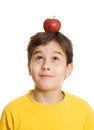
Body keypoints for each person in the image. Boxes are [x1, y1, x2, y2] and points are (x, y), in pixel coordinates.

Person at [0, 32, 94, 130]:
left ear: (68, 69)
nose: (46, 66)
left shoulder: (83, 111)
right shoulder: (12, 112)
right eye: (39, 58)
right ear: (29, 68)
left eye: (55, 58)